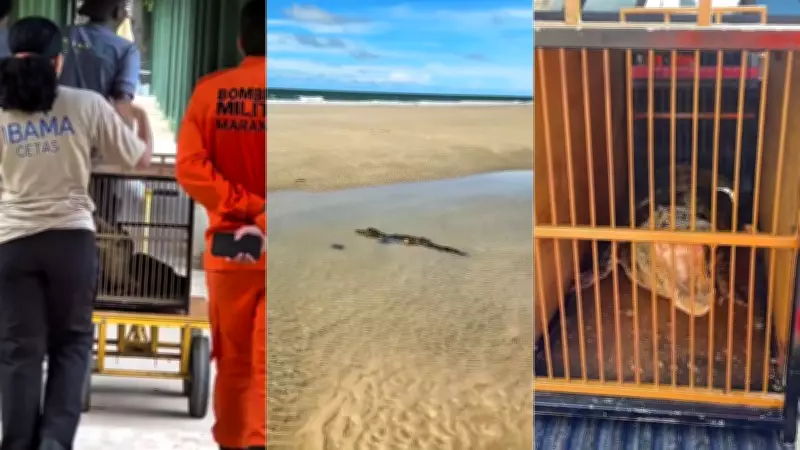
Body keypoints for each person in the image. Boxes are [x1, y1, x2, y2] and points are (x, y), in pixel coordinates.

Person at [0, 17, 152, 450]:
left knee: (18, 352)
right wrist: (138, 115)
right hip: (71, 241)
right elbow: (136, 160)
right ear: (59, 61)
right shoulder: (86, 104)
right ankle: (53, 442)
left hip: (12, 243)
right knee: (71, 344)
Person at [175, 1, 265, 449]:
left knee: (233, 362)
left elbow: (190, 169)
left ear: (240, 39)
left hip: (232, 249)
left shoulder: (211, 93)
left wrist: (243, 205)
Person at [60, 0, 151, 229]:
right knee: (101, 215)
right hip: (96, 148)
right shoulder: (125, 50)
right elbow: (123, 105)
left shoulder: (61, 37)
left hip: (53, 140)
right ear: (117, 12)